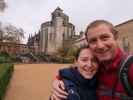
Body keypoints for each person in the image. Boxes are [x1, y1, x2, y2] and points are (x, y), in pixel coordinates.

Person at [51, 20, 133, 100]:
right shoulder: (97, 68)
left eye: (104, 38)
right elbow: (71, 73)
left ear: (115, 36)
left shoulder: (130, 68)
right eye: (93, 41)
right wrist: (58, 81)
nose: (100, 46)